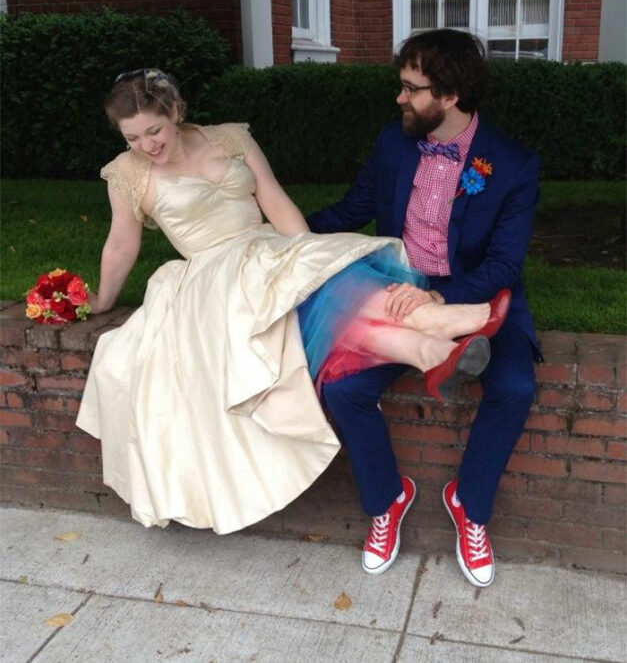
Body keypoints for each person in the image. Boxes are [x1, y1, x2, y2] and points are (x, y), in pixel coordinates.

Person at [76, 68, 508, 540]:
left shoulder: (230, 138)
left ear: (175, 111)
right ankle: (441, 320)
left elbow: (276, 202)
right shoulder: (128, 174)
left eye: (153, 130)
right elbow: (121, 245)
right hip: (211, 276)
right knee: (319, 290)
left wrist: (308, 257)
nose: (146, 145)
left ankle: (431, 352)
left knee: (332, 279)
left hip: (265, 247)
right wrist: (103, 301)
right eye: (132, 137)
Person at [307, 29, 542, 586]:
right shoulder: (394, 143)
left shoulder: (512, 164)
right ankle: (387, 499)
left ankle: (471, 505)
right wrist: (281, 231)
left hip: (476, 295)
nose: (400, 98)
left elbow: (504, 264)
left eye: (412, 89)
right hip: (395, 287)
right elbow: (354, 208)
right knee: (344, 389)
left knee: (513, 388)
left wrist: (439, 296)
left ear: (451, 95)